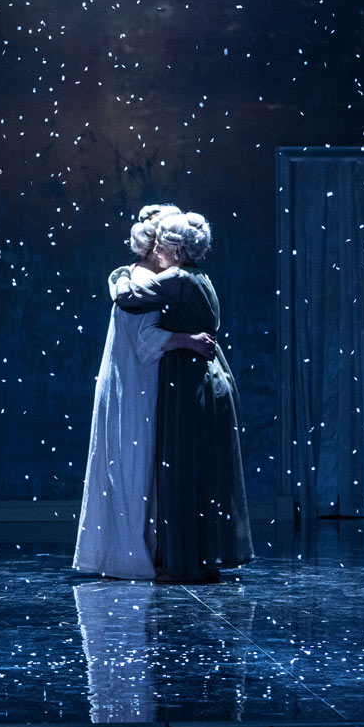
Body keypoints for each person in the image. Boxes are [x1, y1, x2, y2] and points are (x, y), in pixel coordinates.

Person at [73, 204, 216, 580]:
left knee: (133, 465)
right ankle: (132, 555)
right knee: (134, 467)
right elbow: (145, 340)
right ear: (158, 247)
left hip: (135, 381)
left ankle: (136, 551)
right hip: (135, 383)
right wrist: (187, 339)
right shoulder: (145, 281)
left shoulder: (141, 278)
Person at [115, 211, 253, 583]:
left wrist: (123, 273)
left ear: (177, 251)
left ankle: (185, 564)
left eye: (161, 246)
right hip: (209, 375)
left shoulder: (178, 279)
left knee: (182, 469)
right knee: (203, 470)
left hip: (190, 379)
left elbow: (128, 298)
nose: (156, 252)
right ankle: (203, 559)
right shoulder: (201, 278)